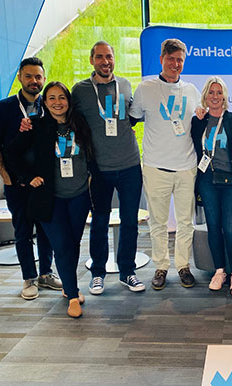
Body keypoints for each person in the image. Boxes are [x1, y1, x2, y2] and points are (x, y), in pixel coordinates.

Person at [6, 81, 94, 318]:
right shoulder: (35, 125)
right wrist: (27, 177)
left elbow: (91, 155)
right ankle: (73, 295)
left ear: (69, 101)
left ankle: (68, 286)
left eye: (62, 97)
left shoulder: (80, 125)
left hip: (78, 197)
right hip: (50, 199)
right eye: (52, 98)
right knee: (62, 245)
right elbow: (10, 153)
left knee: (72, 245)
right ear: (44, 102)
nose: (57, 102)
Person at [71, 41, 144, 295]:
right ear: (91, 60)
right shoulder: (80, 91)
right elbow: (68, 121)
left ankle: (127, 272)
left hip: (130, 165)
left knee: (130, 222)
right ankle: (98, 274)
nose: (105, 62)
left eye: (109, 57)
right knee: (100, 221)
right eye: (100, 57)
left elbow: (131, 117)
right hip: (99, 168)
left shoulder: (124, 84)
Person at [129, 38, 201, 290]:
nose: (175, 64)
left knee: (185, 222)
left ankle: (183, 265)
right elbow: (131, 119)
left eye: (180, 59)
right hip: (155, 166)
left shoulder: (192, 90)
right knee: (157, 222)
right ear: (161, 59)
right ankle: (161, 266)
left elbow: (202, 120)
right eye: (171, 59)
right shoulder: (145, 89)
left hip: (186, 167)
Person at [0, 57, 57, 300]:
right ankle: (29, 278)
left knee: (46, 229)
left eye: (38, 77)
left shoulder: (50, 107)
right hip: (17, 183)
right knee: (23, 231)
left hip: (45, 183)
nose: (34, 81)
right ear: (20, 77)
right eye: (29, 76)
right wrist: (5, 176)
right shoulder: (2, 108)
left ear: (43, 79)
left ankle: (46, 273)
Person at [190, 76, 232, 297]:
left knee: (230, 228)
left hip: (231, 182)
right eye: (211, 92)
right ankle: (219, 271)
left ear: (225, 96)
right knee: (213, 226)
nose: (215, 97)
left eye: (219, 93)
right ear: (205, 95)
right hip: (207, 180)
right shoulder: (198, 121)